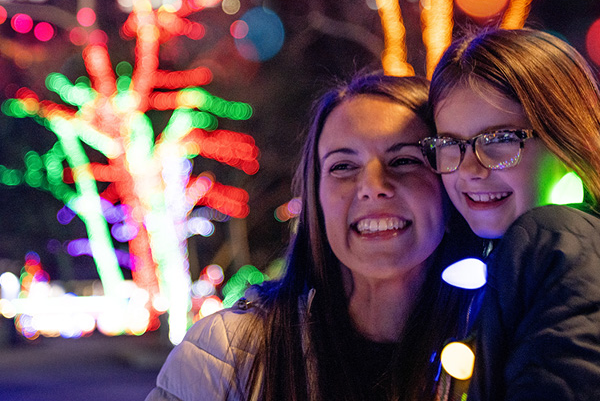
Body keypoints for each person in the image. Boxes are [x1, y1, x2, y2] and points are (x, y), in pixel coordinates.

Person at [145, 72, 479, 401]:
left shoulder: (499, 345)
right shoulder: (227, 353)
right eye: (343, 166)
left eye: (405, 160)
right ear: (315, 200)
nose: (374, 187)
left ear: (451, 186)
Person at [424, 27, 600, 401]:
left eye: (500, 139)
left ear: (566, 137)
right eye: (450, 144)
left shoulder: (560, 239)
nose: (470, 168)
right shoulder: (511, 268)